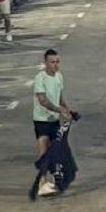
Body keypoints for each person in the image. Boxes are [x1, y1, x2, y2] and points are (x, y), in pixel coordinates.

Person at [31, 48, 74, 198]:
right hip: (41, 120)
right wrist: (58, 109)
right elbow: (42, 100)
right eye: (52, 62)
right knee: (44, 152)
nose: (55, 65)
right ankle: (42, 184)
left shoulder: (59, 77)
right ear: (46, 63)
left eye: (57, 62)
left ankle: (53, 180)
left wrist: (66, 109)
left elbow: (60, 95)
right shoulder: (40, 78)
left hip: (54, 120)